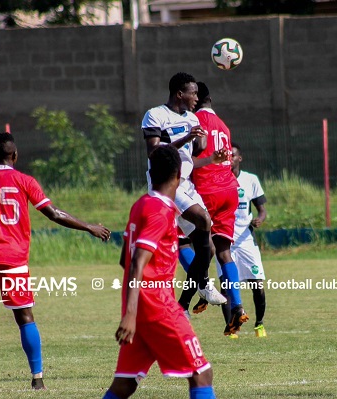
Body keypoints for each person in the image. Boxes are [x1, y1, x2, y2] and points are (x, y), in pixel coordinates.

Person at [0, 133, 111, 393]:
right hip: (14, 260)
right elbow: (53, 214)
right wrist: (88, 226)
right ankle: (37, 379)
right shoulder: (24, 180)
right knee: (25, 317)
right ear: (15, 156)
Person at [102, 145, 216, 399]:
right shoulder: (161, 210)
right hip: (157, 306)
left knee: (124, 385)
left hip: (141, 306)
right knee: (201, 374)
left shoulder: (141, 204)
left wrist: (134, 311)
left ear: (150, 174)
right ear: (179, 176)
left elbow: (125, 259)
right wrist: (132, 314)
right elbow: (136, 263)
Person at [141, 72, 226, 315]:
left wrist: (204, 148)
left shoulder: (191, 118)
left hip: (186, 184)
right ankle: (204, 284)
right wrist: (186, 136)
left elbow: (191, 157)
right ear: (180, 94)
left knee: (207, 249)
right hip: (166, 184)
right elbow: (154, 152)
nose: (197, 98)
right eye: (193, 93)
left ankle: (184, 305)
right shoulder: (155, 115)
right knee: (204, 220)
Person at [192, 82, 248, 335]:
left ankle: (203, 288)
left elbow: (194, 155)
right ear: (211, 99)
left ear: (195, 99)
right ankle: (236, 305)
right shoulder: (224, 125)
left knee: (186, 242)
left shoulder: (193, 120)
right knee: (224, 251)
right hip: (229, 190)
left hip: (206, 189)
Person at [217, 143, 268, 338]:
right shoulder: (217, 180)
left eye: (233, 155)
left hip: (246, 240)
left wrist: (259, 219)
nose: (229, 158)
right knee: (226, 286)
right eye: (227, 155)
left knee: (257, 284)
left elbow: (262, 209)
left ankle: (259, 324)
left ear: (240, 158)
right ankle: (232, 328)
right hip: (224, 240)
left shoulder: (250, 180)